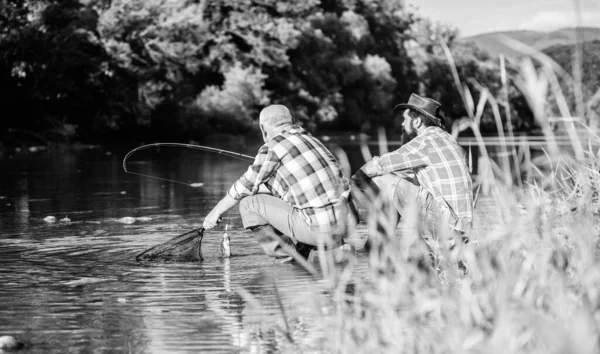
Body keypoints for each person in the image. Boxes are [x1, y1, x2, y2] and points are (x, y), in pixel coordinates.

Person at [203, 104, 357, 261]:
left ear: (263, 130)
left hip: (321, 230)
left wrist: (215, 212)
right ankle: (327, 248)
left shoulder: (273, 147)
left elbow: (245, 186)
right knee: (278, 199)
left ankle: (290, 257)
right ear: (293, 121)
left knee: (248, 204)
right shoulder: (312, 140)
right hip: (349, 223)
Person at [351, 93, 473, 245]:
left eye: (405, 119)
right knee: (396, 184)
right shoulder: (448, 140)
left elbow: (378, 165)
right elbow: (408, 178)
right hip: (461, 229)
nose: (402, 124)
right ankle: (377, 244)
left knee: (383, 180)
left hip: (445, 226)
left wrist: (349, 188)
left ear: (417, 122)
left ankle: (376, 246)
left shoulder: (426, 141)